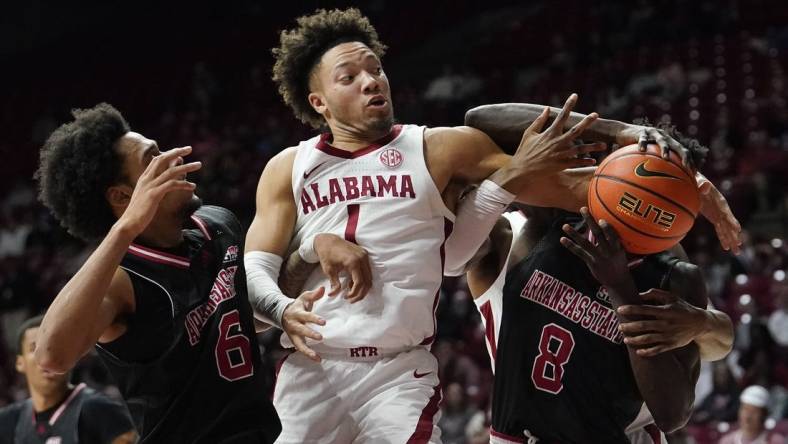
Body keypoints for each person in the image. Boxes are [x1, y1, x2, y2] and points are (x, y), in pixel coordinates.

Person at [248, 8, 741, 443]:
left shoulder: (438, 148)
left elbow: (586, 189)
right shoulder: (287, 168)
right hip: (312, 364)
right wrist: (311, 252)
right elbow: (255, 283)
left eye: (375, 68)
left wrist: (685, 181)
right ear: (318, 102)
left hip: (397, 370)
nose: (371, 81)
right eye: (349, 76)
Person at [32, 104, 281, 443]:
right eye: (153, 159)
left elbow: (251, 307)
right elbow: (51, 357)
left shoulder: (218, 224)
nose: (173, 158)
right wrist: (125, 227)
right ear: (123, 196)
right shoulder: (123, 281)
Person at [0, 315, 136, 444]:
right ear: (19, 363)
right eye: (34, 348)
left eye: (54, 347)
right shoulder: (9, 420)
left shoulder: (100, 409)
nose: (46, 357)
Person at [719, 385, 785, 444]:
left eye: (754, 412)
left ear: (764, 414)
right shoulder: (727, 441)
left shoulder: (775, 441)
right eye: (745, 409)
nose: (747, 416)